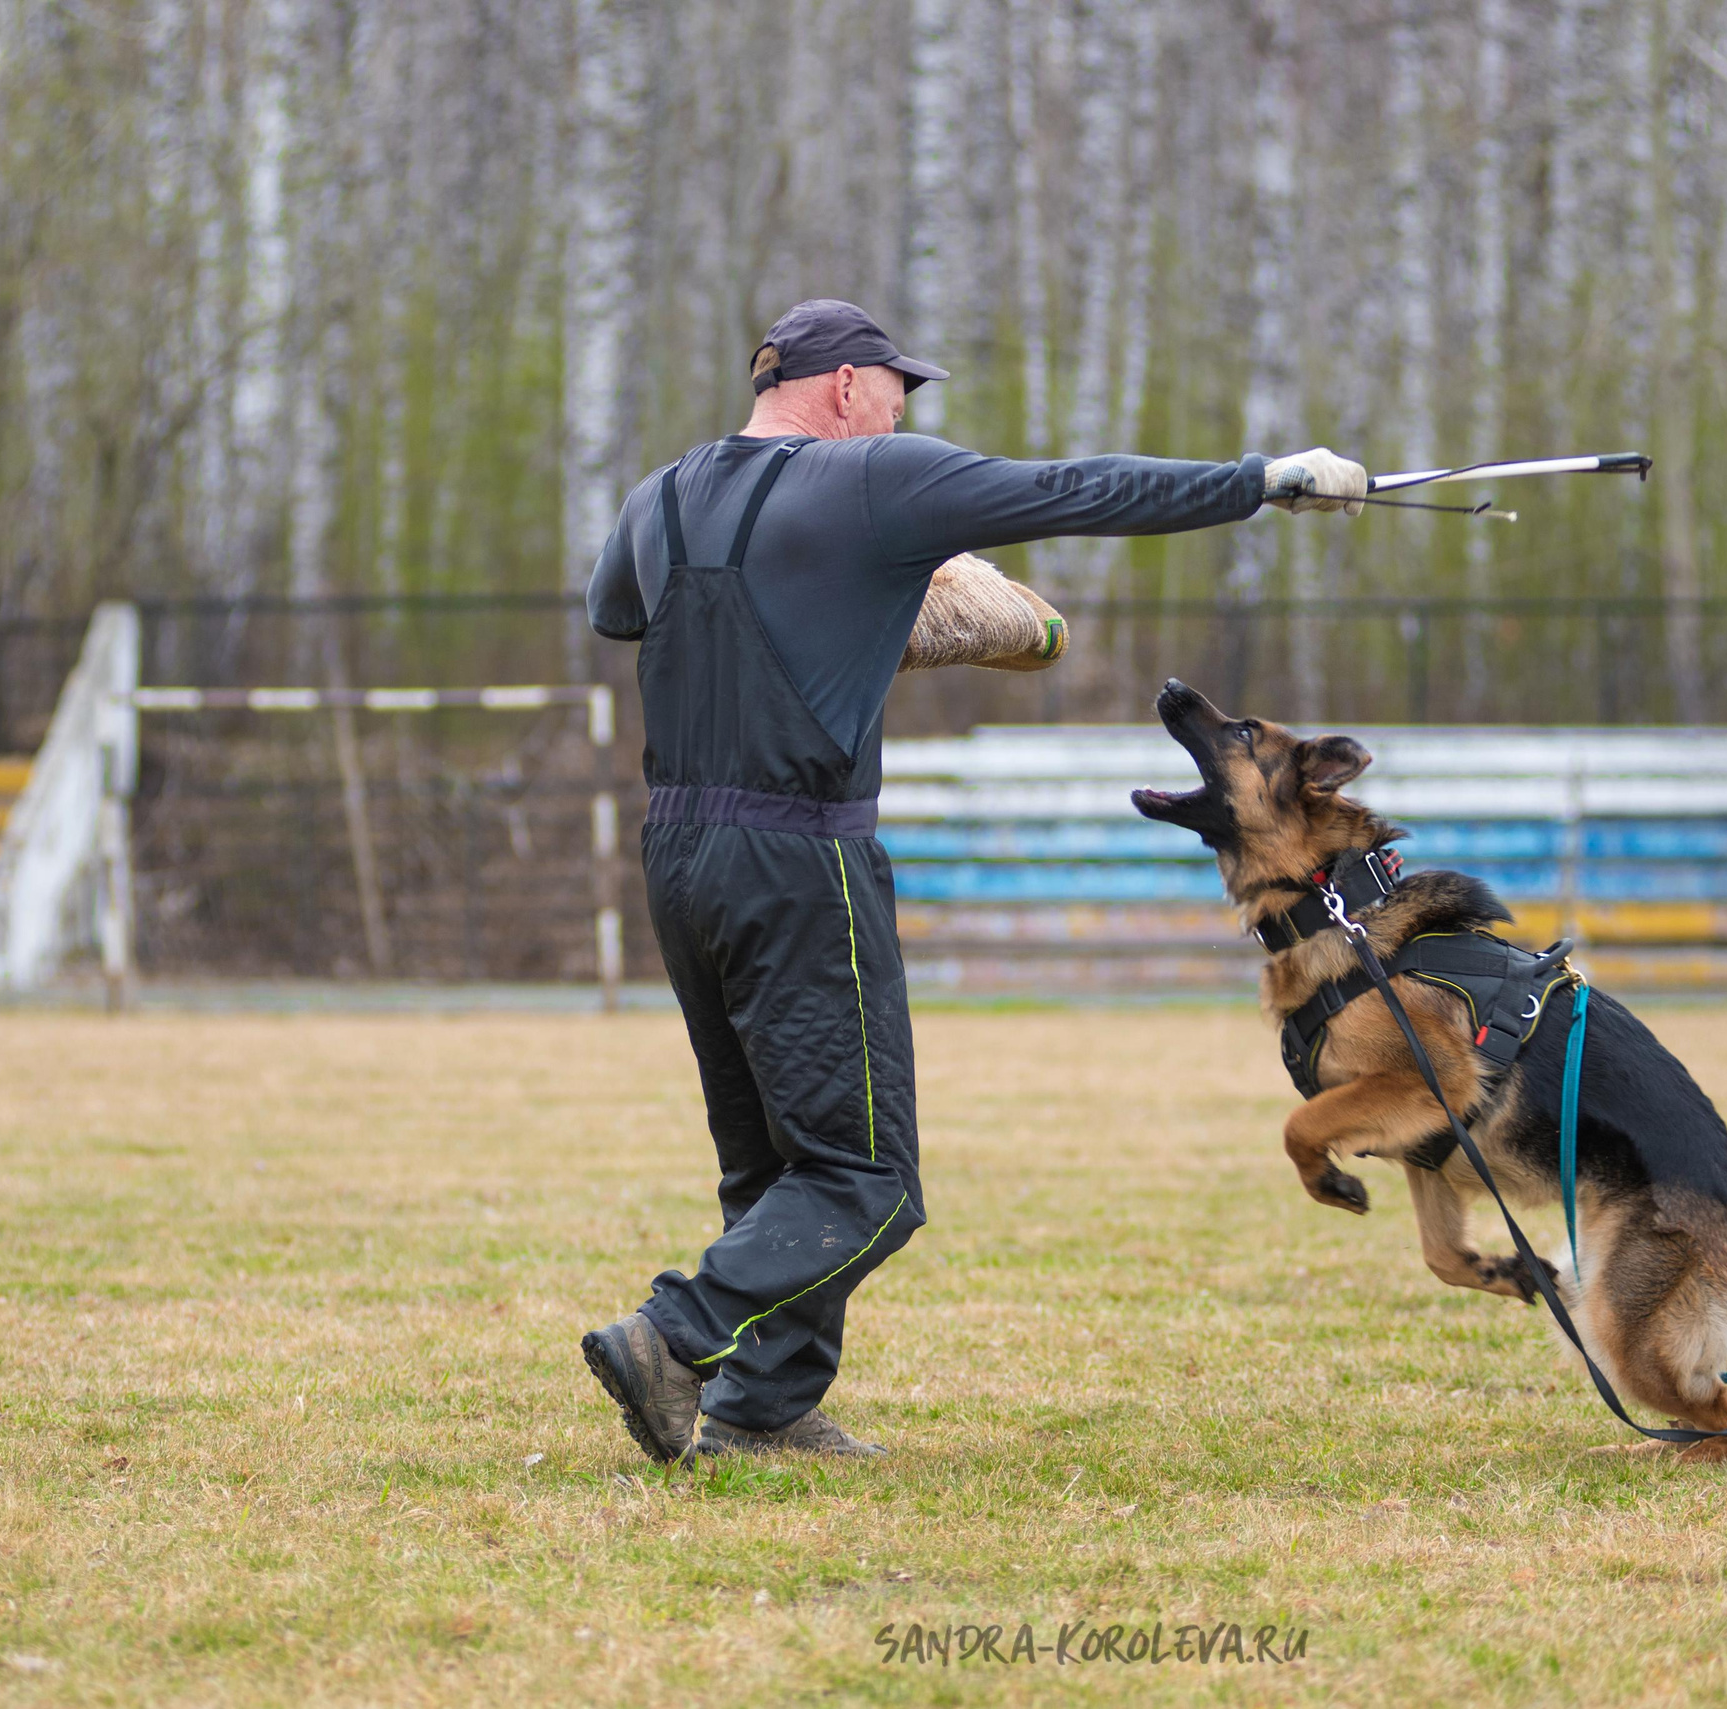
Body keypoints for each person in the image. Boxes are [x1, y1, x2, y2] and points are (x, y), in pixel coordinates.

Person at [578, 297, 1367, 1462]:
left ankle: (764, 1402)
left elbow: (615, 611)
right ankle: (672, 1333)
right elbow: (1077, 490)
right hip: (801, 858)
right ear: (846, 386)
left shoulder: (661, 494)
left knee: (772, 1163)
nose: (905, 407)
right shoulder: (873, 480)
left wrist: (845, 610)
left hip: (678, 853)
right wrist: (1268, 477)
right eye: (899, 387)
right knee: (863, 1179)